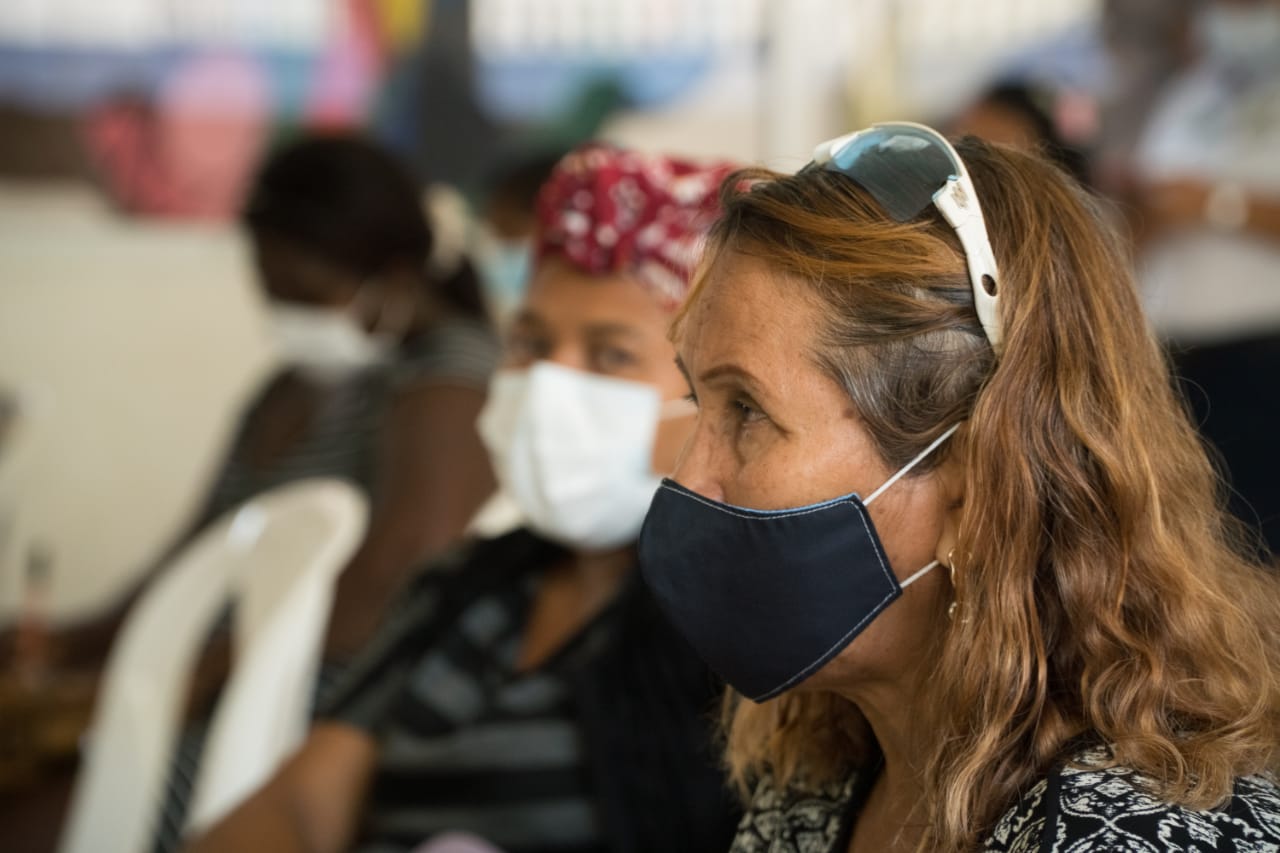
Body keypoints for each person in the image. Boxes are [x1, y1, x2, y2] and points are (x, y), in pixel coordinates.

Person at [637, 123, 1280, 852]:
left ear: (974, 491)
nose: (689, 477)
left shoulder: (1140, 835)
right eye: (701, 402)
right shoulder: (816, 794)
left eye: (747, 410)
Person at [185, 143, 740, 853]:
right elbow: (299, 805)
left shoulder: (736, 638)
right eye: (530, 343)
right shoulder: (460, 591)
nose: (548, 383)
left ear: (716, 402)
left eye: (610, 355)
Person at [1127, 0, 1280, 557]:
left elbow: (1202, 200)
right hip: (1178, 358)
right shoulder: (1189, 95)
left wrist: (1217, 203)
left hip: (1263, 357)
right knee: (1201, 549)